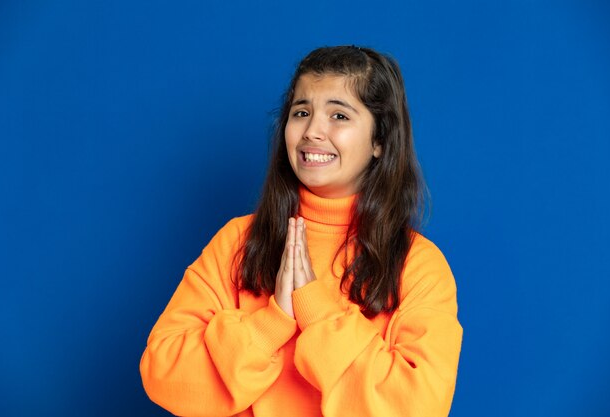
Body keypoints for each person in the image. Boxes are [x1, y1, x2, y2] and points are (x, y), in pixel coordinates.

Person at [140, 45, 462, 417]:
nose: (312, 132)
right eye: (301, 112)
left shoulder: (418, 264)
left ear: (379, 141)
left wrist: (318, 312)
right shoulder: (237, 241)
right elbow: (162, 372)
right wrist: (272, 321)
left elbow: (417, 406)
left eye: (339, 115)